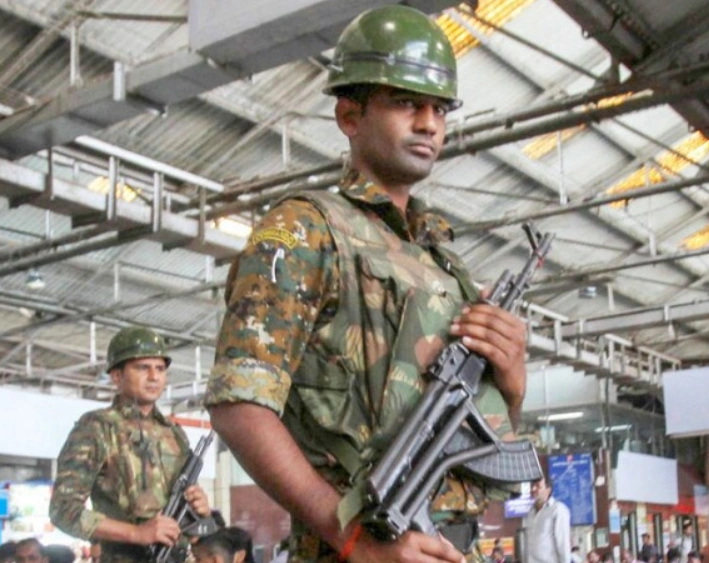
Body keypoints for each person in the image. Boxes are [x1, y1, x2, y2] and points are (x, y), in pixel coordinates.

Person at [206, 5, 529, 563]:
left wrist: (512, 383)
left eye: (439, 108)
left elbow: (481, 440)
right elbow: (238, 403)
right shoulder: (305, 229)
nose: (428, 123)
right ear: (349, 115)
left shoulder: (444, 265)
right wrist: (352, 536)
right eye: (405, 102)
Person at [49, 326, 211, 563]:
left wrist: (199, 511)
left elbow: (190, 529)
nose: (154, 377)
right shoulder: (98, 428)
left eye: (160, 369)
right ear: (117, 376)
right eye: (143, 368)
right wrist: (136, 533)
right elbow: (63, 510)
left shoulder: (174, 434)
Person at [524, 477, 571, 563]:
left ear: (548, 490)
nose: (533, 489)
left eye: (538, 486)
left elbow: (563, 544)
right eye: (532, 485)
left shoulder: (557, 510)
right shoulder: (531, 512)